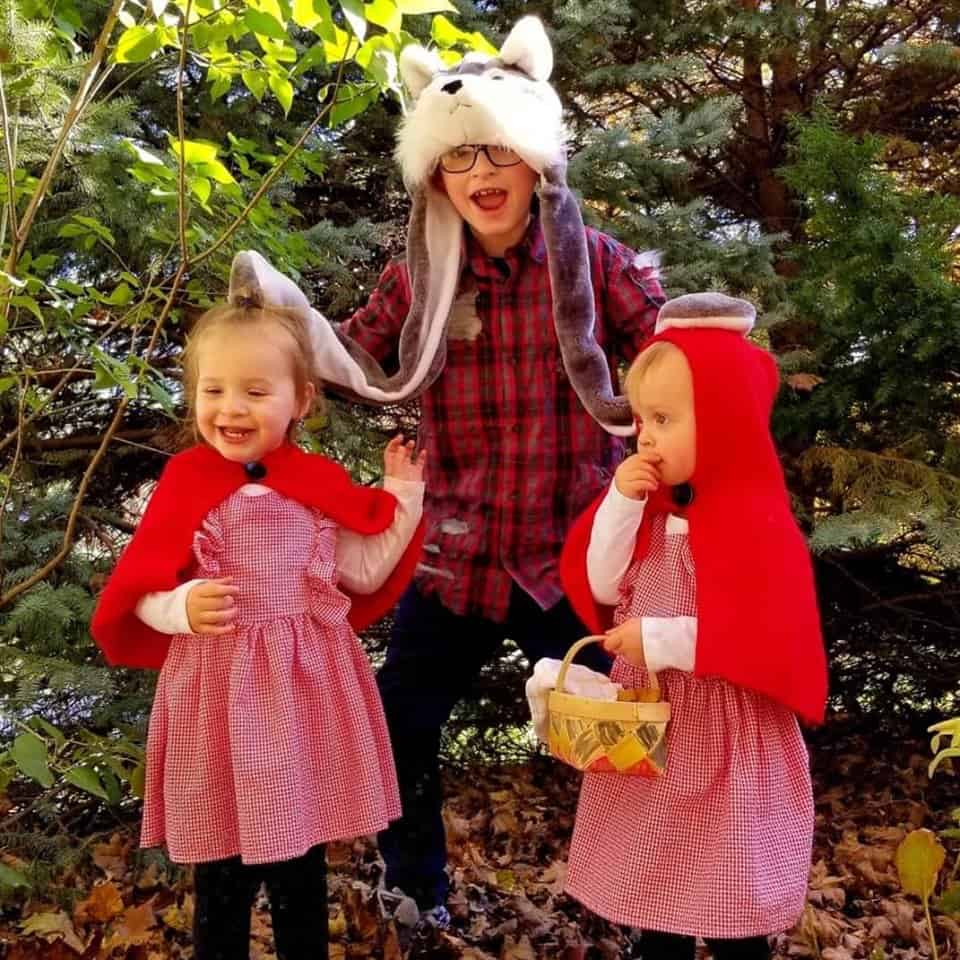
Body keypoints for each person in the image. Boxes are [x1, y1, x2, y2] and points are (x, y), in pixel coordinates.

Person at [227, 16, 665, 922]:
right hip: (457, 556)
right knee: (400, 718)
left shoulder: (594, 261)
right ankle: (415, 885)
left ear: (535, 158)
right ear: (435, 174)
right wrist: (269, 332)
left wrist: (682, 429)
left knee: (613, 729)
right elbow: (347, 360)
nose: (479, 173)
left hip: (572, 556)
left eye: (497, 150)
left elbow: (671, 362)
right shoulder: (421, 279)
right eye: (457, 157)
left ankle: (631, 898)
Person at [90, 295, 426, 960]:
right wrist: (180, 607)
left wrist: (404, 495)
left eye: (255, 391)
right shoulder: (185, 480)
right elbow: (139, 588)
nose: (231, 409)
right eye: (213, 390)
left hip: (298, 696)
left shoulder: (315, 482)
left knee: (298, 864)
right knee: (223, 873)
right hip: (218, 692)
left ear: (301, 400)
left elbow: (362, 572)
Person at [556, 293, 829, 960]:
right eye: (641, 419)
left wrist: (655, 639)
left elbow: (763, 633)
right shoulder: (651, 513)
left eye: (664, 419)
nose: (645, 436)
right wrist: (620, 501)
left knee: (732, 902)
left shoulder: (757, 521)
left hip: (727, 732)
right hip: (654, 730)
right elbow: (601, 583)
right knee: (656, 892)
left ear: (725, 421)